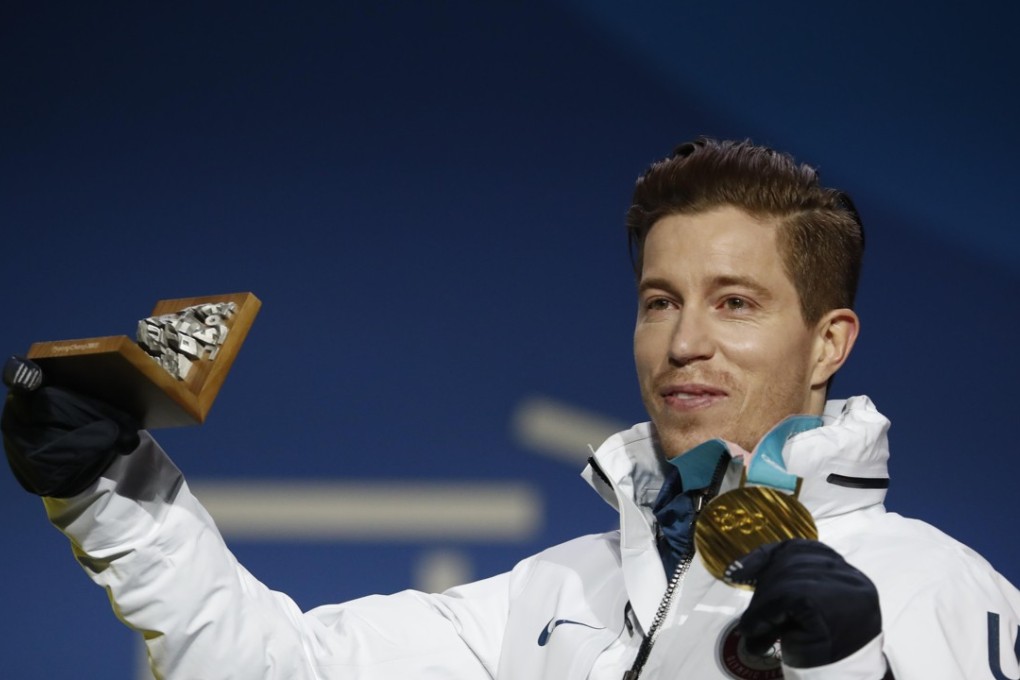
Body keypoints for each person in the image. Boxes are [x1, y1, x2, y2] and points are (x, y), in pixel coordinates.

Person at [4, 137, 1019, 679]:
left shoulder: (934, 582)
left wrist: (846, 670)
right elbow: (274, 668)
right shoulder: (555, 596)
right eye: (659, 301)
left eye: (735, 301)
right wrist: (107, 489)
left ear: (829, 342)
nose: (684, 340)